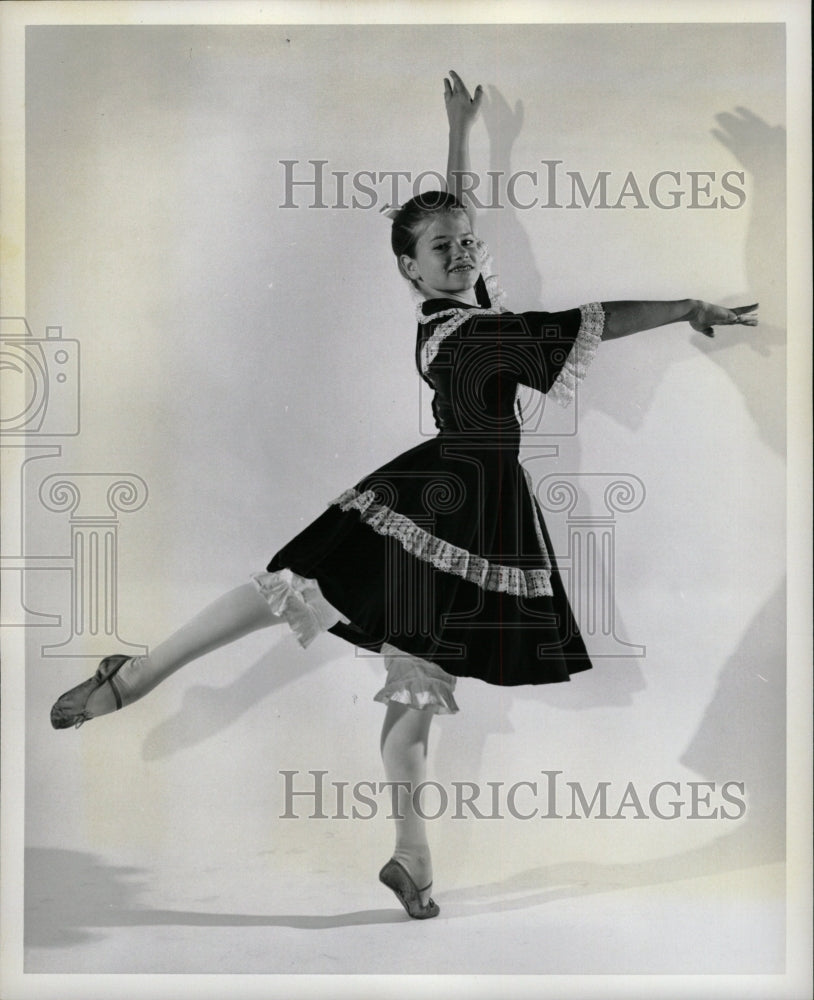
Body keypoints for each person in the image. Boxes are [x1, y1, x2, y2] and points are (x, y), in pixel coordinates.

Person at [50, 71, 758, 920]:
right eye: (444, 250)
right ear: (410, 272)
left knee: (412, 682)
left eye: (467, 243)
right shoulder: (479, 333)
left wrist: (461, 134)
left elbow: (451, 216)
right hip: (453, 496)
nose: (462, 251)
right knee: (296, 589)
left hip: (474, 504)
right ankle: (140, 674)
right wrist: (685, 306)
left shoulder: (456, 310)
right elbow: (589, 318)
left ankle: (412, 860)